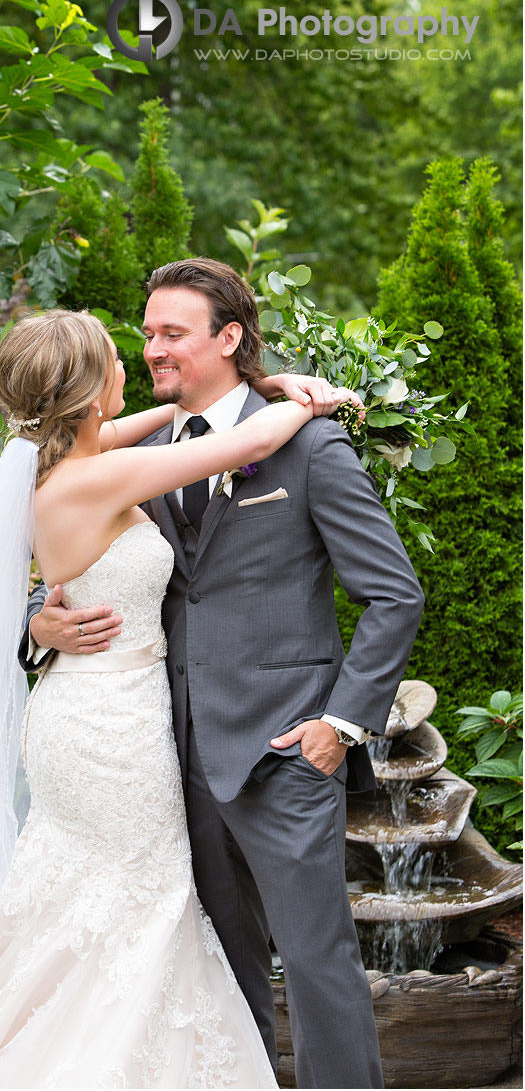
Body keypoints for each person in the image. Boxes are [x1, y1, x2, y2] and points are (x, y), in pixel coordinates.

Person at [0, 307, 358, 1090]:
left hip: (91, 712)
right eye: (117, 354)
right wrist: (305, 401)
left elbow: (180, 414)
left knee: (89, 907)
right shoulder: (101, 472)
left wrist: (261, 383)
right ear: (86, 389)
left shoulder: (68, 457)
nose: (134, 360)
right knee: (141, 907)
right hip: (112, 732)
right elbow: (244, 442)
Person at [25, 261, 425, 1090]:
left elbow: (392, 595)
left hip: (286, 747)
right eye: (144, 334)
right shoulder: (143, 447)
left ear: (228, 337)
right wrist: (39, 622)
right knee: (212, 968)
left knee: (316, 964)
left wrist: (341, 723)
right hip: (162, 754)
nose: (151, 349)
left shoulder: (311, 445)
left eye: (171, 333)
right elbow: (75, 558)